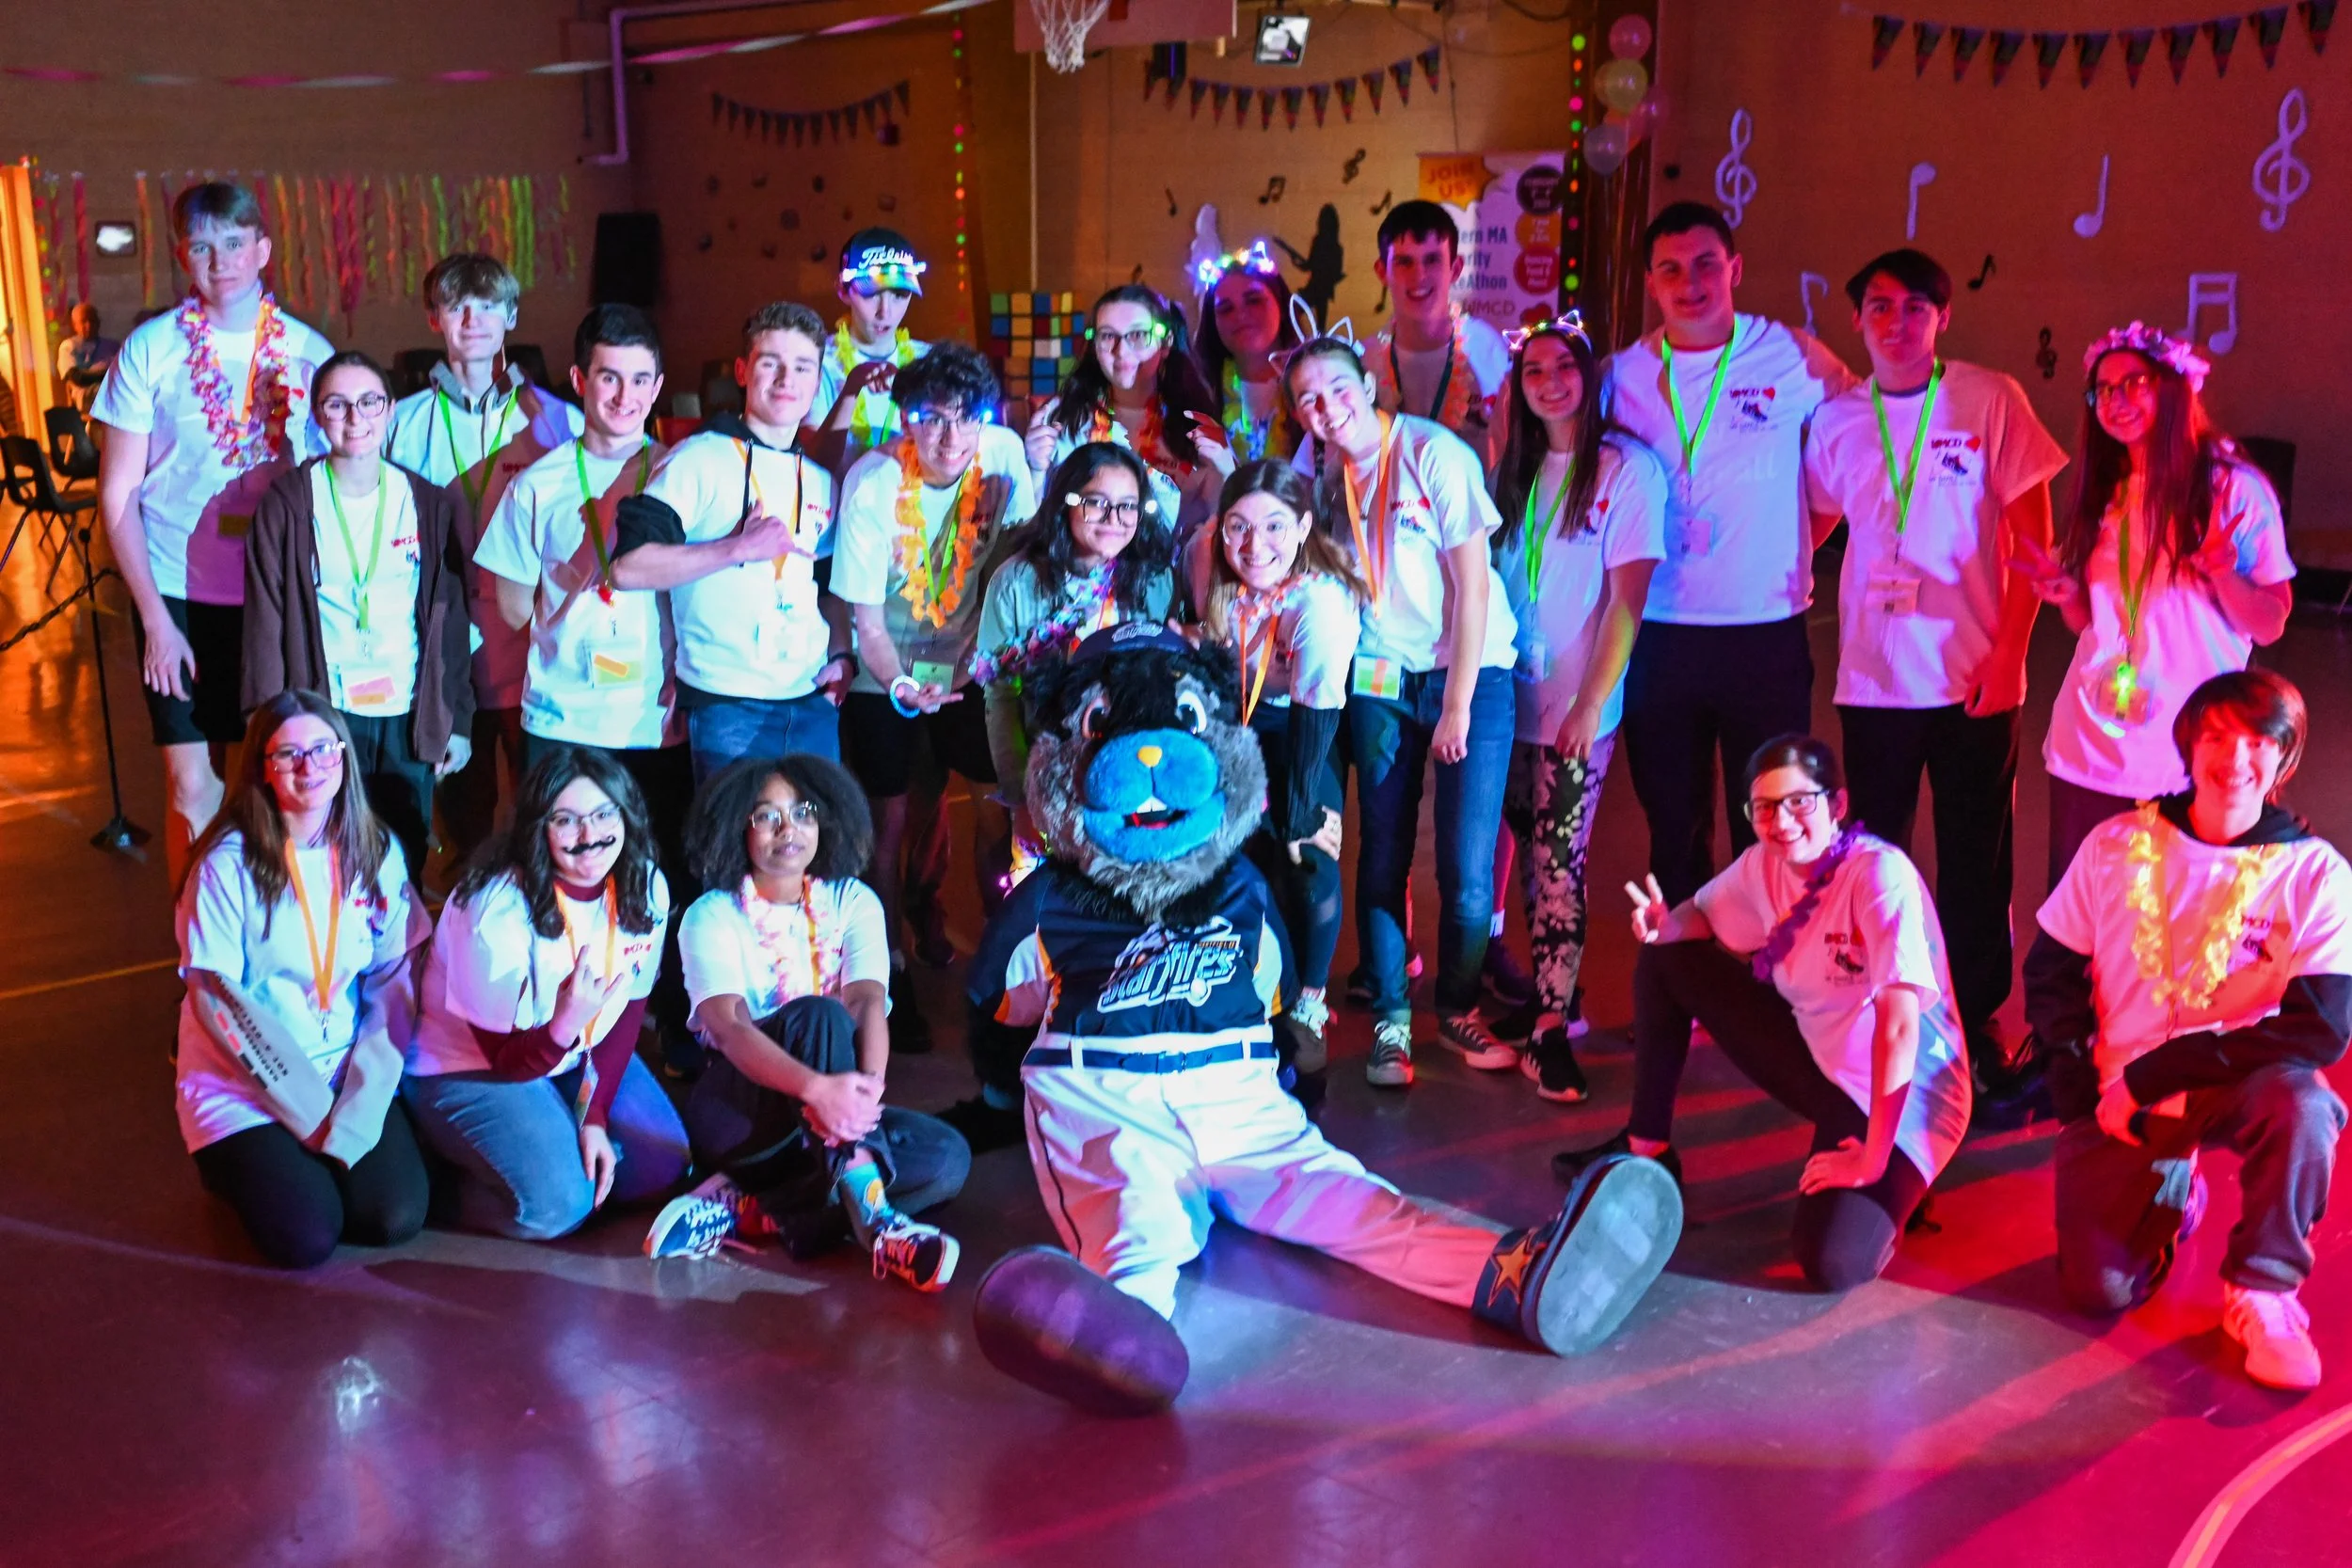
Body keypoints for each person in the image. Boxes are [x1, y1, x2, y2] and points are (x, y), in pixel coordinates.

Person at [963, 626, 1683, 1415]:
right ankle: (1127, 1346)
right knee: (1137, 1223)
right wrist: (1005, 1086)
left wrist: (1292, 1074)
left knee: (1347, 1195)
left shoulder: (1237, 885)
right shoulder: (1053, 898)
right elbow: (998, 1008)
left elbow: (1263, 997)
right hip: (1107, 1093)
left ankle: (1512, 1275)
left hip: (1234, 1087)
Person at [2025, 671, 2349, 1390]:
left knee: (2304, 1104)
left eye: (2259, 741)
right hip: (2117, 1089)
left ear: (2285, 757)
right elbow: (2051, 971)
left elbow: (2321, 1029)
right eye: (2217, 737)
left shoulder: (2316, 874)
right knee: (2097, 1290)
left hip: (2236, 1078)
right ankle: (2176, 1191)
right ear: (2188, 745)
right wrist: (2077, 1088)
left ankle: (2262, 1288)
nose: (2236, 759)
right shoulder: (2116, 842)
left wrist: (2160, 1073)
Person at [1555, 736, 1974, 1290]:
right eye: (1765, 808)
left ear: (1838, 804)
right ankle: (1646, 1150)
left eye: (1799, 802)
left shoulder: (1879, 877)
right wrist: (1666, 926)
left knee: (1833, 1263)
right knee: (1666, 959)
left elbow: (1898, 1028)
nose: (1782, 822)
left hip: (1902, 1097)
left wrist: (1873, 1161)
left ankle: (1899, 1183)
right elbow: (1703, 916)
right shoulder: (1764, 866)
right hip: (1821, 1061)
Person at [1803, 249, 2068, 1113]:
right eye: (1879, 307)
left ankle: (1975, 1022)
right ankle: (1881, 1009)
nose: (1897, 322)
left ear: (1942, 318)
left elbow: (2034, 543)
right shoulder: (1840, 420)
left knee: (1975, 860)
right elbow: (1813, 522)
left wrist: (2009, 653)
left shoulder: (1990, 400)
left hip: (1972, 676)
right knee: (1875, 860)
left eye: (1916, 307)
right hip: (1873, 678)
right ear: (1857, 319)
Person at [1602, 201, 1856, 907]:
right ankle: (1687, 961)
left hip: (1764, 632)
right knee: (1673, 822)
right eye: (1671, 270)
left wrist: (1800, 537)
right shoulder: (1621, 376)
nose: (1691, 283)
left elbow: (1855, 447)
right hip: (1659, 633)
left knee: (1772, 818)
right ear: (1651, 283)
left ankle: (1767, 960)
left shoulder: (1794, 357)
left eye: (1706, 264)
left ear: (1735, 269)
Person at [1287, 325, 1518, 1089]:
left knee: (1467, 870)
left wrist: (1457, 702)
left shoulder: (1432, 453)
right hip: (1380, 677)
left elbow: (1474, 584)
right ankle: (1391, 1016)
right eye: (1308, 400)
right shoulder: (1320, 475)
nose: (1327, 408)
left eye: (1338, 388)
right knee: (1382, 853)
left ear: (1369, 386)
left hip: (1469, 671)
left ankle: (1457, 1006)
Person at [648, 755, 970, 1292]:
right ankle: (877, 1222)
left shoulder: (853, 901)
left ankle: (744, 1206)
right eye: (767, 816)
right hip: (742, 1114)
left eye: (803, 813)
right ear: (737, 828)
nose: (788, 830)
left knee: (946, 1159)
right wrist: (819, 1090)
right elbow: (730, 1028)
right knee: (818, 1015)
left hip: (830, 1116)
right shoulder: (710, 915)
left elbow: (867, 1000)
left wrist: (866, 1094)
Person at [93, 182, 335, 879]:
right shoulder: (151, 349)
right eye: (202, 246)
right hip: (176, 592)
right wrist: (154, 619)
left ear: (262, 250)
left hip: (271, 595)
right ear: (182, 256)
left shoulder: (307, 352)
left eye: (234, 243)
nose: (220, 261)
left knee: (268, 782)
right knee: (191, 788)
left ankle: (265, 922)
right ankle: (195, 937)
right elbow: (118, 492)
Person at [474, 304, 693, 1069]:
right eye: (608, 378)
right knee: (555, 874)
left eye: (640, 380)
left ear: (658, 386)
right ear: (579, 380)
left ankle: (662, 1021)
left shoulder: (682, 474)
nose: (624, 396)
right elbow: (509, 601)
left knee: (657, 872)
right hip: (563, 717)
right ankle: (556, 1022)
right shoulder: (536, 482)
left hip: (653, 720)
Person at [2014, 324, 2295, 888]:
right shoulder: (2104, 488)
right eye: (2103, 390)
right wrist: (2070, 596)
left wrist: (2223, 573)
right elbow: (2092, 624)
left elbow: (2270, 623)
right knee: (2085, 911)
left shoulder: (2232, 488)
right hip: (2091, 740)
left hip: (2189, 743)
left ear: (2174, 388)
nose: (2115, 401)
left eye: (2134, 383)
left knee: (2174, 913)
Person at [174, 690, 429, 1268]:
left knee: (393, 1218)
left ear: (343, 756)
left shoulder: (375, 849)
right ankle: (228, 1167)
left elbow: (394, 975)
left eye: (323, 749)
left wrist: (365, 1096)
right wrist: (314, 1118)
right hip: (246, 1081)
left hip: (339, 1069)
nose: (309, 766)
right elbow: (219, 1003)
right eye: (288, 754)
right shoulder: (226, 865)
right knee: (307, 1238)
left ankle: (303, 1170)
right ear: (262, 768)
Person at [403, 747, 692, 1240]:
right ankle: (439, 1178)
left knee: (662, 1168)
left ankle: (554, 1145)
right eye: (566, 820)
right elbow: (506, 1061)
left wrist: (594, 1117)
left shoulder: (645, 884)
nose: (590, 836)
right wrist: (563, 1025)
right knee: (558, 1207)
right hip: (469, 1068)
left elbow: (629, 1009)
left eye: (604, 814)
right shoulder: (494, 909)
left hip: (570, 1056)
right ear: (538, 827)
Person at [830, 344, 1034, 1038]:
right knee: (886, 826)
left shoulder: (1003, 456)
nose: (950, 437)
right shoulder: (873, 483)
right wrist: (898, 683)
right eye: (931, 418)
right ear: (906, 419)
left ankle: (1006, 963)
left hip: (973, 662)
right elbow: (864, 619)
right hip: (881, 668)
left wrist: (990, 653)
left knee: (1000, 810)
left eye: (966, 417)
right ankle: (890, 974)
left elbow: (1016, 565)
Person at [1489, 314, 1665, 1099]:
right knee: (1531, 853)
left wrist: (1591, 702)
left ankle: (1552, 1028)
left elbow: (1627, 600)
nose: (1550, 382)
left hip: (1573, 707)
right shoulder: (1514, 470)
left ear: (1590, 377)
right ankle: (1550, 998)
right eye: (1534, 371)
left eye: (1564, 366)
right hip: (1509, 701)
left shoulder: (1626, 471)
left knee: (1560, 861)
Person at [386, 253, 586, 871]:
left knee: (543, 804)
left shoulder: (558, 421)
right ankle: (463, 911)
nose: (472, 320)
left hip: (531, 637)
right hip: (446, 641)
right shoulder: (400, 423)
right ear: (434, 318)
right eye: (456, 306)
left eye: (488, 306)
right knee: (461, 813)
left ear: (512, 317)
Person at [242, 352, 473, 878]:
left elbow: (451, 621)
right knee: (327, 856)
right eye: (337, 405)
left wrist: (456, 721)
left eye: (369, 402)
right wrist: (269, 728)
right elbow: (265, 625)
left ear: (389, 410)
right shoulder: (289, 504)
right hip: (325, 712)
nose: (355, 418)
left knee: (405, 855)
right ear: (318, 415)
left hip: (405, 710)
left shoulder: (426, 504)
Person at [611, 302, 854, 782]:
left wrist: (842, 654)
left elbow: (828, 585)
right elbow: (627, 567)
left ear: (816, 381)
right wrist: (736, 548)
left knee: (818, 830)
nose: (786, 380)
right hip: (727, 704)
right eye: (771, 363)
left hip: (811, 698)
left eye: (802, 367)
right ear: (743, 371)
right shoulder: (698, 459)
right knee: (732, 830)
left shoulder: (820, 479)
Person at [1194, 460, 1363, 1062]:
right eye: (1238, 526)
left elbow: (1315, 715)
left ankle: (1310, 998)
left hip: (1303, 725)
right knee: (1230, 851)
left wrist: (1299, 814)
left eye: (1273, 527)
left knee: (1306, 853)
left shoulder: (1319, 604)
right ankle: (1245, 980)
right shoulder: (1206, 561)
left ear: (1303, 527)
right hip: (1233, 720)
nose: (1253, 544)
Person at [976, 441, 1180, 858]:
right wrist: (1022, 800)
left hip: (1135, 775)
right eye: (1097, 503)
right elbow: (1001, 697)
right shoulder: (1016, 583)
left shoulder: (1154, 579)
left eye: (1128, 506)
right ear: (1065, 503)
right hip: (1054, 777)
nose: (1114, 519)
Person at [1024, 284, 1217, 535]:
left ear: (1166, 342)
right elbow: (1032, 527)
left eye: (1138, 335)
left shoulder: (1195, 422)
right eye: (1107, 336)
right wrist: (1035, 470)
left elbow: (1226, 517)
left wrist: (1224, 469)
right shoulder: (1064, 418)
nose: (1121, 351)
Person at [1366, 199, 1512, 460]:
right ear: (1382, 272)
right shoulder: (1364, 361)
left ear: (1455, 269)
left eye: (1432, 260)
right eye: (1404, 262)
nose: (1419, 276)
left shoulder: (1489, 349)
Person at [807, 228, 930, 474]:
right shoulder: (817, 361)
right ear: (843, 289)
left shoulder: (928, 362)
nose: (885, 312)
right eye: (872, 293)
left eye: (899, 294)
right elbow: (813, 463)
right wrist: (851, 390)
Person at [1192, 241, 1304, 467]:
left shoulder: (1318, 382)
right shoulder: (1197, 392)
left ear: (1282, 306)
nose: (1241, 315)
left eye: (1254, 301)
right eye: (1226, 309)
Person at [56, 301, 119, 415]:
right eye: (83, 321)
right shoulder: (69, 347)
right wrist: (108, 374)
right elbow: (77, 377)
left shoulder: (112, 346)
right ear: (75, 325)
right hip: (87, 396)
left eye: (92, 321)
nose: (89, 325)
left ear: (99, 323)